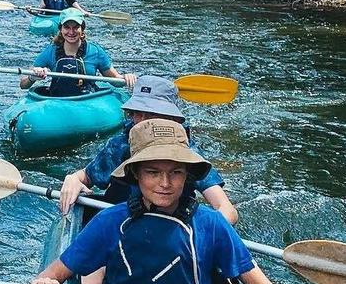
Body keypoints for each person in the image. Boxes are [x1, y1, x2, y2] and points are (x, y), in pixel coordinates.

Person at [30, 118, 301, 284]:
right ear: (135, 174)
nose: (165, 183)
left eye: (176, 173)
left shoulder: (212, 224)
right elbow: (51, 276)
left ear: (187, 176)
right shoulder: (110, 222)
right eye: (153, 172)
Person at [58, 74, 238, 223]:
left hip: (173, 232)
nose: (143, 121)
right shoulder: (120, 146)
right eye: (137, 113)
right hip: (124, 227)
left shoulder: (189, 155)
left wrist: (198, 236)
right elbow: (86, 176)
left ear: (172, 119)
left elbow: (227, 211)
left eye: (152, 114)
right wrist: (73, 179)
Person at [20, 11, 122, 98]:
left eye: (76, 27)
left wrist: (126, 78)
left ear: (82, 30)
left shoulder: (95, 51)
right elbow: (23, 84)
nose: (71, 32)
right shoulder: (50, 51)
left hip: (88, 100)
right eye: (67, 27)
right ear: (61, 30)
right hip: (58, 101)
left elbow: (115, 80)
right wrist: (32, 77)